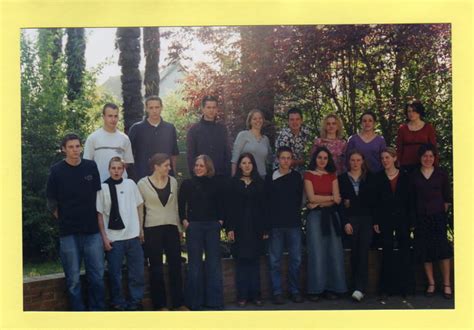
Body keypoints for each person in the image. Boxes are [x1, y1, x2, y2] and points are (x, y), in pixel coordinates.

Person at [45, 133, 104, 311]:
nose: (75, 150)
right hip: (68, 233)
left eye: (77, 146)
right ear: (64, 149)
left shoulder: (90, 167)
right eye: (70, 147)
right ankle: (78, 316)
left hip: (92, 232)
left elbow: (98, 198)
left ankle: (97, 313)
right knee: (73, 279)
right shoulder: (56, 171)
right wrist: (64, 219)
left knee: (97, 276)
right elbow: (51, 202)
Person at [137, 153, 188, 311]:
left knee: (175, 266)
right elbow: (140, 209)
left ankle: (178, 303)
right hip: (152, 229)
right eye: (166, 165)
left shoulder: (173, 181)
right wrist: (140, 230)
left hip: (171, 228)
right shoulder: (142, 184)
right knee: (156, 268)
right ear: (156, 166)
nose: (169, 168)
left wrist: (179, 227)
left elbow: (175, 207)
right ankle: (160, 305)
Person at [96, 157, 145, 311]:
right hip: (114, 239)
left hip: (133, 236)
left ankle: (135, 301)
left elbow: (139, 205)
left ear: (123, 169)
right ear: (109, 169)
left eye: (119, 168)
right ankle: (117, 302)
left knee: (136, 272)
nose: (116, 171)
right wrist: (104, 238)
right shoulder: (103, 188)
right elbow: (99, 215)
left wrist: (141, 229)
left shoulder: (130, 184)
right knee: (114, 274)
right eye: (113, 168)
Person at [178, 155, 224, 310]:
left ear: (208, 168)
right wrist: (184, 220)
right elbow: (180, 203)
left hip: (212, 226)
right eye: (196, 165)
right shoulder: (187, 184)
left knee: (213, 264)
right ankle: (194, 303)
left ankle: (214, 302)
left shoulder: (216, 183)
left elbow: (222, 203)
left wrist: (220, 221)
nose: (198, 168)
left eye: (201, 166)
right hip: (194, 227)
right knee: (195, 265)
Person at [410, 144, 453, 299]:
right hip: (421, 218)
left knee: (443, 251)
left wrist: (440, 212)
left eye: (430, 156)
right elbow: (412, 198)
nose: (428, 159)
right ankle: (431, 283)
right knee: (425, 250)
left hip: (438, 217)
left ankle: (447, 284)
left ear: (434, 158)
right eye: (424, 156)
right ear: (420, 158)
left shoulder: (441, 174)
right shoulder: (414, 175)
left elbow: (447, 198)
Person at [304, 146, 346, 301]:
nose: (322, 161)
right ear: (315, 159)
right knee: (316, 252)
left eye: (325, 158)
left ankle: (333, 288)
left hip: (332, 217)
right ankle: (316, 289)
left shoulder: (333, 175)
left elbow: (337, 198)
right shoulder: (308, 175)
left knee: (333, 252)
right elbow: (311, 197)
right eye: (319, 157)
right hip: (315, 218)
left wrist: (318, 200)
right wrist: (327, 199)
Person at [265, 146, 304, 304]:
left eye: (288, 158)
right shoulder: (270, 178)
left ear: (291, 160)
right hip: (275, 225)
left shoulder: (296, 177)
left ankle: (294, 291)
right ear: (277, 159)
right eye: (283, 158)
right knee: (275, 261)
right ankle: (277, 292)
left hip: (293, 224)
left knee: (295, 259)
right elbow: (266, 202)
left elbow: (299, 200)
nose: (286, 161)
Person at [226, 153, 267, 307]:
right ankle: (242, 296)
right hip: (239, 228)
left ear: (253, 165)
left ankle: (256, 295)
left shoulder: (259, 183)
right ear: (239, 165)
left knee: (255, 263)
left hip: (256, 228)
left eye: (250, 162)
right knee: (241, 263)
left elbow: (264, 207)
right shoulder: (233, 183)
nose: (247, 165)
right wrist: (230, 228)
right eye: (244, 162)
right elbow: (229, 208)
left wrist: (264, 229)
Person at [373, 147, 413, 298]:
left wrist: (411, 220)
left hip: (403, 219)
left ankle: (406, 288)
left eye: (387, 158)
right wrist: (376, 220)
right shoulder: (378, 177)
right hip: (385, 220)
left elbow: (411, 200)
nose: (385, 161)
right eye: (382, 158)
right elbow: (375, 202)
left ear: (395, 158)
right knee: (387, 253)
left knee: (405, 251)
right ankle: (385, 289)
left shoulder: (405, 176)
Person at [338, 150, 375, 301]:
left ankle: (361, 288)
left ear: (363, 161)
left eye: (358, 160)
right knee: (354, 253)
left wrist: (375, 221)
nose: (355, 163)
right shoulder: (341, 179)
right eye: (352, 160)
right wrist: (345, 221)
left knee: (363, 252)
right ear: (348, 162)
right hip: (351, 220)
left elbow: (373, 202)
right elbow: (340, 203)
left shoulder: (370, 178)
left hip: (366, 219)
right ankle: (354, 286)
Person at [128, 96, 180, 180]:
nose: (154, 111)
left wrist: (173, 173)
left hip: (165, 176)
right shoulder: (136, 128)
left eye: (157, 107)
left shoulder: (170, 128)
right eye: (151, 108)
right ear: (146, 109)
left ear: (161, 108)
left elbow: (174, 153)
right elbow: (128, 154)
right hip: (143, 177)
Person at [83, 103, 134, 182]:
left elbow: (127, 163)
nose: (113, 119)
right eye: (110, 116)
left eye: (116, 116)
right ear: (103, 117)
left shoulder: (124, 138)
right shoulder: (93, 138)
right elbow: (87, 163)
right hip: (100, 184)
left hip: (121, 185)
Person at [186, 96, 231, 178]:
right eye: (208, 107)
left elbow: (227, 153)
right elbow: (191, 155)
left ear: (217, 109)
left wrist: (227, 174)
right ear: (203, 109)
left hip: (220, 176)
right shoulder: (194, 130)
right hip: (201, 177)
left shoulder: (222, 129)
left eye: (214, 107)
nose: (211, 110)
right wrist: (194, 175)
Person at [396, 100, 437, 174]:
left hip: (424, 164)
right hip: (406, 165)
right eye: (409, 111)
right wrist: (398, 164)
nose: (411, 113)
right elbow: (399, 149)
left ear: (419, 112)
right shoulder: (402, 129)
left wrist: (435, 165)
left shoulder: (428, 128)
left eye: (414, 111)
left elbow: (433, 148)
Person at [231, 109, 272, 177]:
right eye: (254, 119)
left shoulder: (265, 139)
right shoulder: (243, 135)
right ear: (250, 121)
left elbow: (270, 159)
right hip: (246, 177)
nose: (258, 120)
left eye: (260, 118)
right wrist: (234, 177)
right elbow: (235, 158)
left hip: (262, 177)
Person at [274, 107, 312, 174]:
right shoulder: (284, 136)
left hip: (300, 168)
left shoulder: (306, 133)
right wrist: (303, 161)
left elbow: (310, 152)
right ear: (288, 121)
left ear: (301, 120)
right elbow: (285, 161)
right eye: (292, 120)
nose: (295, 122)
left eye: (297, 119)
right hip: (283, 170)